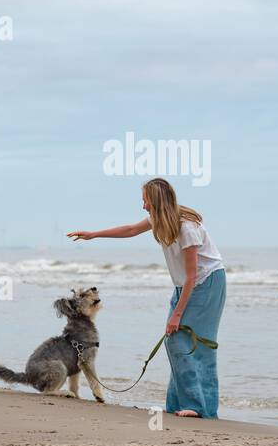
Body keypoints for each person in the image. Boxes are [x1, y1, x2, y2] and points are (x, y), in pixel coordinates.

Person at [67, 178, 226, 418]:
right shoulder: (159, 220)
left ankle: (198, 407)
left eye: (145, 201)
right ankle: (179, 405)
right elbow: (130, 230)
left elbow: (193, 276)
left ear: (157, 202)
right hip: (186, 285)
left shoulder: (187, 228)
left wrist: (177, 314)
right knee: (174, 339)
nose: (143, 207)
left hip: (206, 284)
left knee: (193, 342)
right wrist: (94, 235)